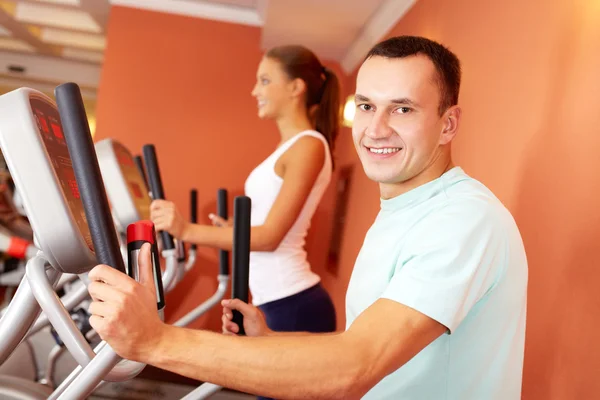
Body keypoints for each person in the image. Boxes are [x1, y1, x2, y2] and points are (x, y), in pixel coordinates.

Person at [87, 36, 528, 399]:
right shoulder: (404, 211)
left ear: (448, 124)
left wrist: (154, 340)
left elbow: (355, 365)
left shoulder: (463, 219)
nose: (376, 129)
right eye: (368, 107)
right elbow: (355, 343)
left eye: (403, 108)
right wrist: (271, 342)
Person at [150, 45, 339, 336]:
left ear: (295, 87)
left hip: (294, 303)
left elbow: (270, 238)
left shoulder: (309, 146)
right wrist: (235, 230)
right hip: (273, 300)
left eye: (265, 81)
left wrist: (186, 230)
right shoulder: (289, 147)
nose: (254, 91)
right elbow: (264, 228)